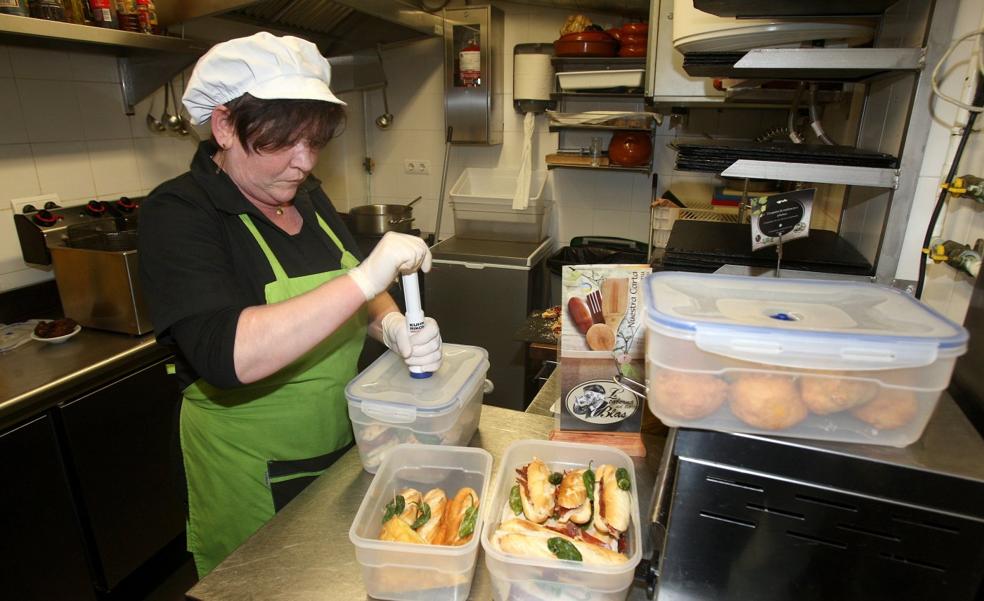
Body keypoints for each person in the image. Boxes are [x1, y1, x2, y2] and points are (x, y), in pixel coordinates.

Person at [138, 32, 442, 577]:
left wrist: (391, 323)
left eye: (315, 142)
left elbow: (361, 293)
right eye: (282, 142)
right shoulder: (179, 212)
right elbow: (229, 355)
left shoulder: (306, 195)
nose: (303, 163)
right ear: (225, 126)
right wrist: (363, 279)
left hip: (341, 445)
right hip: (249, 469)